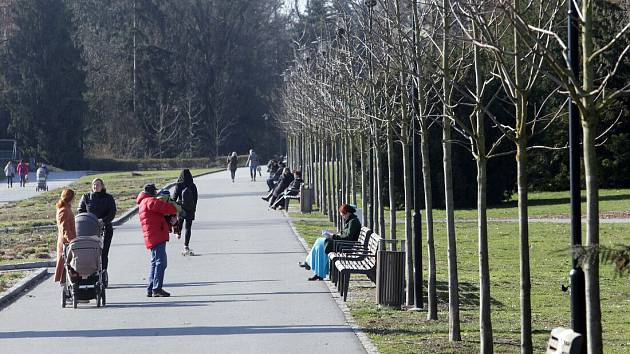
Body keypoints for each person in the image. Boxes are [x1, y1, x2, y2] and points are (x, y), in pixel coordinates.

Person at [299, 204, 361, 281]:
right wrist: (333, 235)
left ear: (348, 213)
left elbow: (348, 237)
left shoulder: (353, 222)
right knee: (319, 241)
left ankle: (315, 270)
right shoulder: (351, 220)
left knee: (322, 244)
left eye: (343, 214)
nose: (342, 216)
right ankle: (313, 267)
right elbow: (345, 235)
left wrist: (333, 236)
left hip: (346, 246)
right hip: (342, 244)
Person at [138, 183, 177, 297]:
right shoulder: (149, 200)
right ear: (152, 192)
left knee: (155, 262)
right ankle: (157, 288)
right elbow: (165, 208)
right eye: (155, 192)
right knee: (161, 262)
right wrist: (174, 208)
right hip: (156, 235)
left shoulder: (143, 202)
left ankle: (151, 288)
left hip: (152, 235)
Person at [77, 178, 116, 286]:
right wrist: (88, 219)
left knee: (103, 253)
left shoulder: (108, 198)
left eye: (98, 184)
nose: (96, 186)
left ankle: (103, 272)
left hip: (105, 228)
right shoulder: (86, 197)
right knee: (90, 252)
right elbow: (80, 211)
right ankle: (90, 273)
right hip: (89, 229)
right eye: (94, 184)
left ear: (102, 186)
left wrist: (103, 221)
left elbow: (112, 212)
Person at [173, 169, 198, 256]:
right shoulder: (193, 185)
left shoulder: (179, 185)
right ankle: (186, 246)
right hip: (190, 208)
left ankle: (177, 232)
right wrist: (194, 208)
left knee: (180, 221)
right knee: (188, 228)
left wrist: (174, 207)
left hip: (181, 207)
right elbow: (195, 198)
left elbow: (174, 197)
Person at [54, 189, 77, 284]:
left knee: (67, 265)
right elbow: (65, 229)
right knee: (67, 264)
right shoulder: (64, 210)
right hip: (66, 242)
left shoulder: (65, 208)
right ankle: (67, 285)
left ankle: (68, 283)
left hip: (66, 241)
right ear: (70, 198)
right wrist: (72, 240)